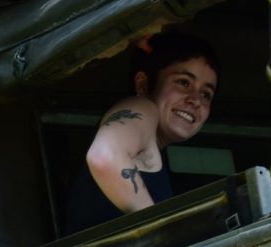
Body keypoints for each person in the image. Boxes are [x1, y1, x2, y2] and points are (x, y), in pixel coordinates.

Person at [65, 32, 220, 233]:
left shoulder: (152, 149)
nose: (195, 100)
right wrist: (162, 231)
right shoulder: (142, 107)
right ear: (143, 84)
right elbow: (104, 157)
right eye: (183, 82)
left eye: (206, 94)